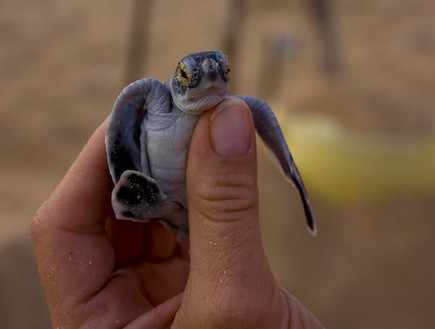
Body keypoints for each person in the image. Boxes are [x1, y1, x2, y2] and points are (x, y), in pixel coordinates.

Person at [32, 98, 324, 328]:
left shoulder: (233, 106)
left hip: (184, 218)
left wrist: (298, 186)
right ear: (178, 78)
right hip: (160, 206)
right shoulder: (158, 96)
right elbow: (119, 131)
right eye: (191, 74)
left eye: (222, 70)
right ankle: (151, 205)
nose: (210, 78)